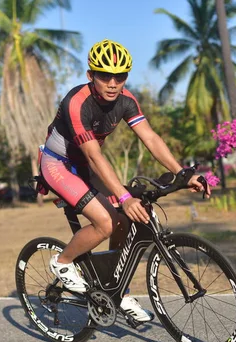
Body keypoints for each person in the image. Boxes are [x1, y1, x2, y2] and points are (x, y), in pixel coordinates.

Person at [39, 39, 210, 323]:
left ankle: (114, 288)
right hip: (59, 164)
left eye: (120, 76)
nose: (112, 83)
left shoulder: (126, 101)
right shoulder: (76, 102)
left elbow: (151, 138)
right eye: (104, 75)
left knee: (130, 218)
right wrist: (124, 196)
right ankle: (63, 262)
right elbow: (94, 156)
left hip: (86, 164)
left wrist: (183, 173)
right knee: (106, 221)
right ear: (90, 75)